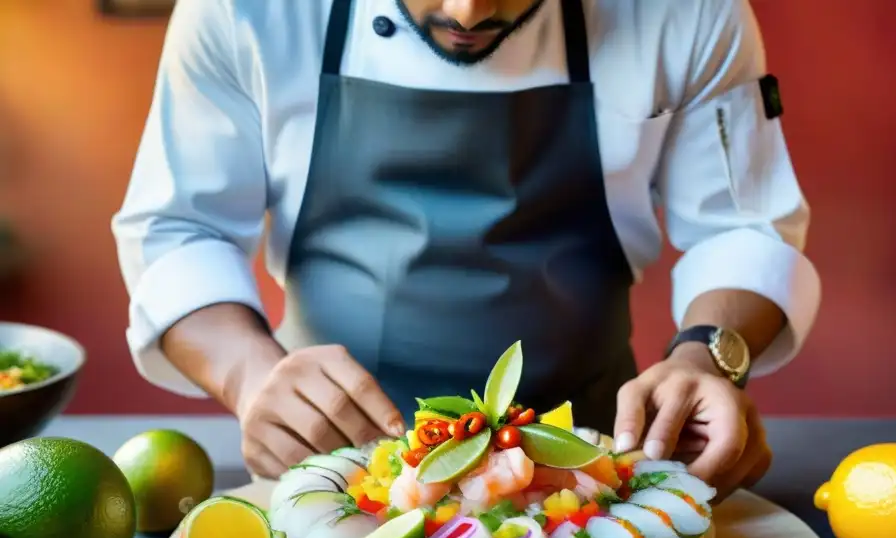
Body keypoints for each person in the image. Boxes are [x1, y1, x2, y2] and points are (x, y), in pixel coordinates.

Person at [114, 0, 819, 499]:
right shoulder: (243, 9)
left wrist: (707, 359)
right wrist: (248, 377)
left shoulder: (687, 10)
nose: (467, 11)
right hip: (329, 474)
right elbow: (179, 229)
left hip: (598, 470)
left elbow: (741, 227)